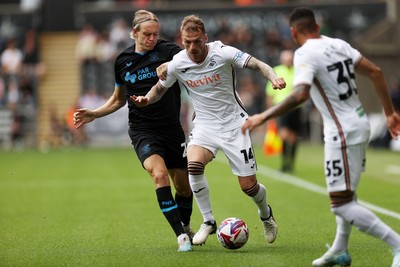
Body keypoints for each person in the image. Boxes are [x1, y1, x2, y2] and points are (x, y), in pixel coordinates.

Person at [242, 7, 400, 267]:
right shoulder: (338, 44)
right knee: (348, 196)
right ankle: (340, 249)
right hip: (359, 124)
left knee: (340, 205)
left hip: (342, 132)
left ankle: (397, 244)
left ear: (293, 32)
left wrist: (263, 116)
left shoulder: (305, 53)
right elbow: (377, 73)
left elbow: (301, 95)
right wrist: (390, 113)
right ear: (316, 27)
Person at [130, 15, 285, 246]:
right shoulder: (178, 62)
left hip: (235, 125)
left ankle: (266, 215)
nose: (192, 47)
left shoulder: (223, 53)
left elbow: (257, 64)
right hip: (204, 126)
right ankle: (208, 221)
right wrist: (146, 99)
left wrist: (273, 77)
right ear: (182, 40)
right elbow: (159, 89)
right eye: (187, 42)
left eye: (196, 41)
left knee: (249, 187)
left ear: (205, 38)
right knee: (193, 165)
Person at [73, 10, 194, 252]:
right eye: (147, 34)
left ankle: (185, 225)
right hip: (142, 130)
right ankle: (181, 236)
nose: (152, 39)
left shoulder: (169, 51)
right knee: (159, 175)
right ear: (134, 33)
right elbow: (118, 99)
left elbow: (193, 60)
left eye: (155, 34)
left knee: (183, 187)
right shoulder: (122, 61)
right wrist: (95, 113)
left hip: (171, 129)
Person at [266, 49, 301, 173]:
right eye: (286, 58)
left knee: (294, 137)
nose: (288, 60)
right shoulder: (277, 70)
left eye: (290, 58)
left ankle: (291, 163)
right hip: (281, 107)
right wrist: (271, 112)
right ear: (282, 59)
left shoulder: (298, 70)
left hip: (296, 107)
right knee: (284, 135)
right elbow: (270, 93)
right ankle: (284, 164)